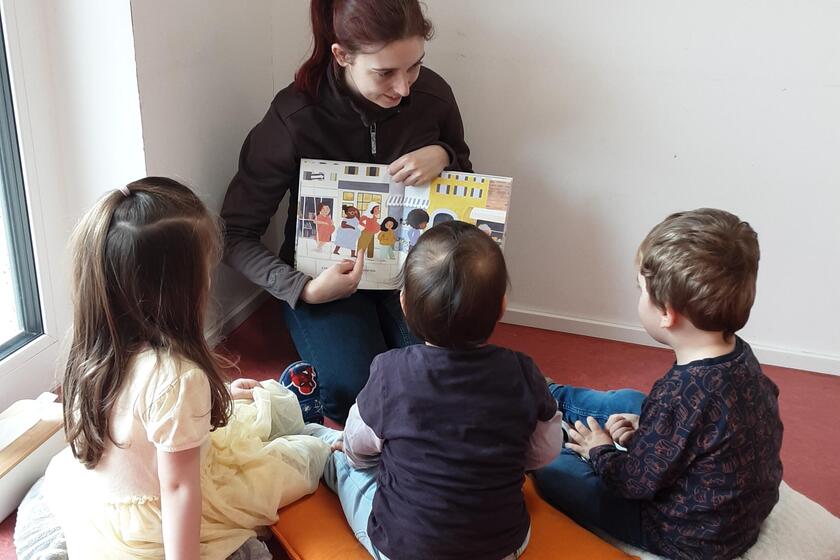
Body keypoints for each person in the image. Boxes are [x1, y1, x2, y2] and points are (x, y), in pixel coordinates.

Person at [25, 178, 331, 560]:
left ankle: (283, 409)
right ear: (179, 289)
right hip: (159, 517)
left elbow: (139, 418)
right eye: (205, 269)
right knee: (301, 459)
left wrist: (218, 396)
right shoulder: (178, 377)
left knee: (245, 404)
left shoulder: (95, 345)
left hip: (115, 495)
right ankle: (310, 425)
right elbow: (179, 491)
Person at [220, 0, 472, 423]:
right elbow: (235, 235)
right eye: (385, 73)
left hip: (413, 275)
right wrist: (302, 288)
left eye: (414, 67)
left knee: (450, 375)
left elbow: (466, 183)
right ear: (342, 56)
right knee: (354, 393)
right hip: (325, 282)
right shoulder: (293, 116)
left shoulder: (433, 95)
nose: (405, 87)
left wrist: (444, 154)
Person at [303, 221, 567, 559]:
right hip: (503, 547)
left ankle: (312, 434)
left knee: (343, 460)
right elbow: (544, 452)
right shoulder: (524, 372)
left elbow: (358, 445)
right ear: (501, 307)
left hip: (402, 549)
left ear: (404, 305)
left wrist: (353, 452)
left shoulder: (390, 372)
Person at [533, 208, 784, 560]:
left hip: (682, 535)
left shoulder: (680, 395)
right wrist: (650, 429)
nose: (639, 297)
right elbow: (710, 428)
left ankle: (535, 422)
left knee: (550, 468)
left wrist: (599, 451)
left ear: (667, 312)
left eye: (642, 290)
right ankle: (548, 394)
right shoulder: (741, 357)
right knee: (631, 402)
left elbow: (633, 482)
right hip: (733, 518)